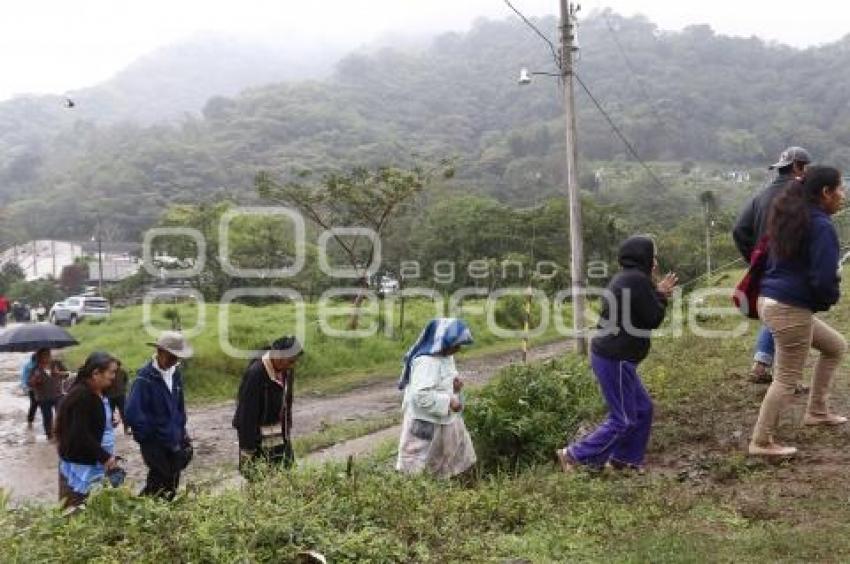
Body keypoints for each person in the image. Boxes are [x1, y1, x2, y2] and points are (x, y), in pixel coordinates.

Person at [557, 236, 678, 472]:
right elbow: (653, 317)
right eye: (652, 255)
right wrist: (662, 296)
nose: (655, 261)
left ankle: (625, 460)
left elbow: (642, 306)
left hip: (613, 357)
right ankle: (572, 455)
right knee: (623, 419)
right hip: (616, 359)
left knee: (643, 409)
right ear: (642, 256)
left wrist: (658, 292)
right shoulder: (637, 280)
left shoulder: (629, 278)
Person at [749, 166, 847, 457]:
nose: (843, 195)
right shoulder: (821, 226)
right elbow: (822, 278)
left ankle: (816, 410)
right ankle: (761, 441)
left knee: (835, 347)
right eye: (839, 189)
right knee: (786, 378)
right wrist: (832, 290)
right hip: (790, 308)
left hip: (770, 301)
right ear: (825, 193)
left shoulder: (792, 217)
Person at [733, 146, 811, 383]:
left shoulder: (761, 195)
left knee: (778, 313)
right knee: (791, 314)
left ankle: (762, 363)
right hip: (791, 266)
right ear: (798, 167)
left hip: (766, 265)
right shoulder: (801, 194)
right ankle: (786, 376)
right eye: (805, 167)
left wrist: (754, 258)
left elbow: (739, 230)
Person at [396, 318, 476, 478]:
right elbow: (421, 395)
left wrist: (455, 385)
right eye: (456, 344)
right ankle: (416, 495)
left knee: (452, 458)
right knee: (417, 465)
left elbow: (443, 379)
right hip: (425, 423)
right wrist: (449, 402)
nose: (459, 348)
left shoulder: (446, 356)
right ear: (443, 342)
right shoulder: (426, 362)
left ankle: (451, 488)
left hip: (444, 420)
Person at [125, 331, 194, 499]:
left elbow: (179, 405)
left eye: (177, 358)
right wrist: (148, 436)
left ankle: (162, 516)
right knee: (159, 481)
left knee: (172, 481)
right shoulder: (145, 378)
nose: (174, 361)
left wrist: (181, 430)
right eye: (171, 357)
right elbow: (132, 413)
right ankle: (143, 514)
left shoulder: (175, 374)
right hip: (154, 443)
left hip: (174, 439)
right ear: (160, 352)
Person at [54, 352, 120, 508]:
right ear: (96, 373)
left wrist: (109, 421)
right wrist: (106, 458)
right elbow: (80, 434)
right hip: (81, 463)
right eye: (111, 372)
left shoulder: (99, 392)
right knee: (76, 508)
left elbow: (92, 421)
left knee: (92, 506)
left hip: (93, 460)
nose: (113, 376)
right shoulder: (83, 396)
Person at [233, 336, 303, 477]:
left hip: (278, 434)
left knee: (287, 474)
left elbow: (286, 400)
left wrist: (287, 426)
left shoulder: (287, 370)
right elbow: (246, 414)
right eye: (290, 361)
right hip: (257, 439)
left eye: (294, 362)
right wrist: (247, 448)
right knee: (260, 480)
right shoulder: (256, 374)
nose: (292, 366)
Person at [30, 348, 63, 440]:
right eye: (44, 355)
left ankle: (59, 434)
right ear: (39, 357)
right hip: (43, 397)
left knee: (60, 414)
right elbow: (30, 384)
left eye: (48, 355)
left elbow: (67, 374)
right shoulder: (35, 369)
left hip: (57, 394)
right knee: (47, 417)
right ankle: (49, 436)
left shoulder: (56, 364)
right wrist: (35, 379)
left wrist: (59, 373)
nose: (47, 357)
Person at [106, 360, 130, 434]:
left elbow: (126, 379)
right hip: (110, 395)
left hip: (121, 395)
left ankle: (126, 428)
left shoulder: (122, 372)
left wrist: (123, 388)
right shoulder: (108, 372)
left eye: (116, 364)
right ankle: (109, 429)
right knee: (109, 412)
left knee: (124, 412)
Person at [20, 353, 39, 428]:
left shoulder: (27, 365)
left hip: (30, 387)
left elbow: (23, 377)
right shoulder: (33, 366)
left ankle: (30, 421)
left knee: (34, 404)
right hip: (33, 387)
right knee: (35, 404)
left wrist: (24, 386)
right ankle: (30, 420)